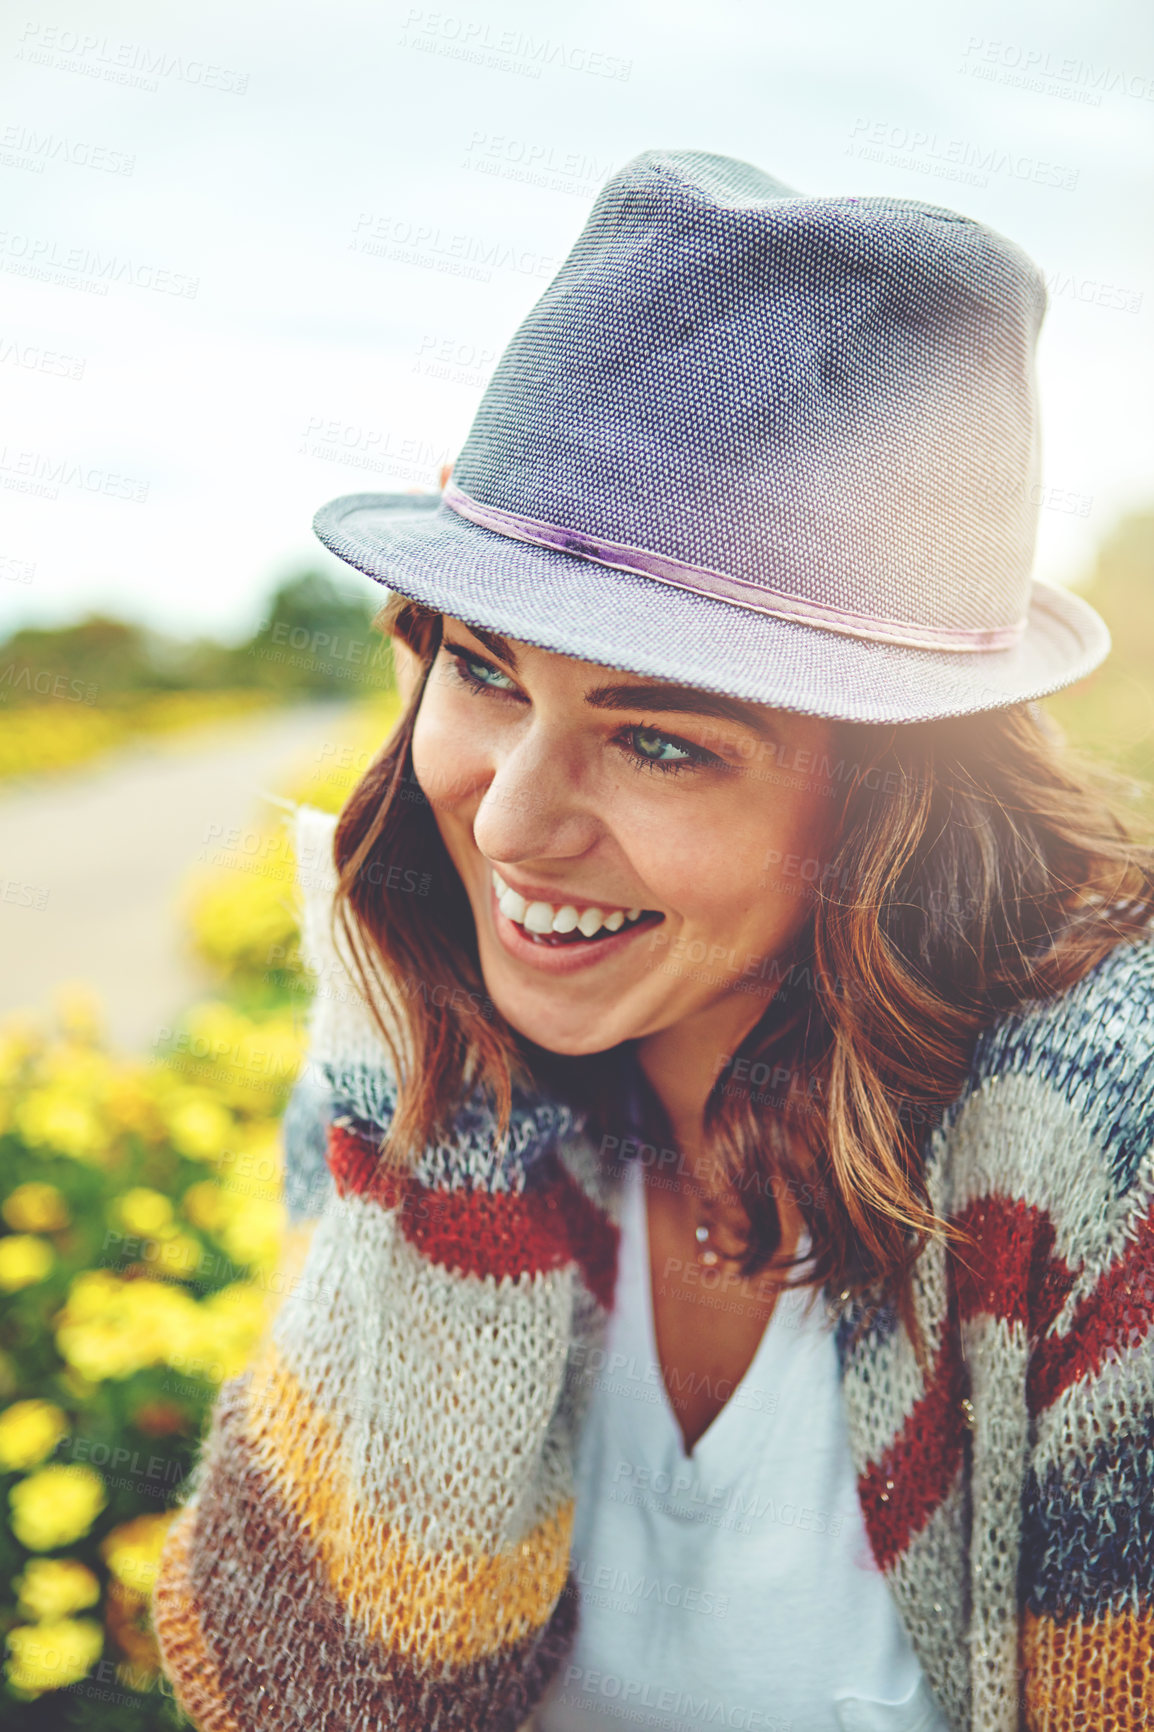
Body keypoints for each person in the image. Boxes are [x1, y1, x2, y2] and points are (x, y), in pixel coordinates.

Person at [151, 150, 1154, 1731]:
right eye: (485, 675)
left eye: (662, 744)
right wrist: (433, 1106)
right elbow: (315, 1695)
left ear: (890, 804)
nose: (504, 826)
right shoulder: (410, 1036)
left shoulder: (1107, 1148)